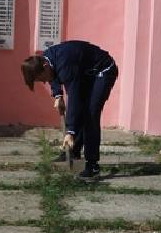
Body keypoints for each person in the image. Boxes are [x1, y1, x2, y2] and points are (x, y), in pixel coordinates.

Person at [21, 40, 118, 179]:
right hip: (85, 74)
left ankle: (92, 164)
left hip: (103, 69)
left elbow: (74, 99)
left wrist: (70, 131)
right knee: (81, 111)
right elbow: (52, 75)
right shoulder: (47, 58)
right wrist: (57, 95)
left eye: (42, 78)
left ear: (45, 66)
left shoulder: (65, 64)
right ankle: (73, 153)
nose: (43, 82)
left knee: (90, 113)